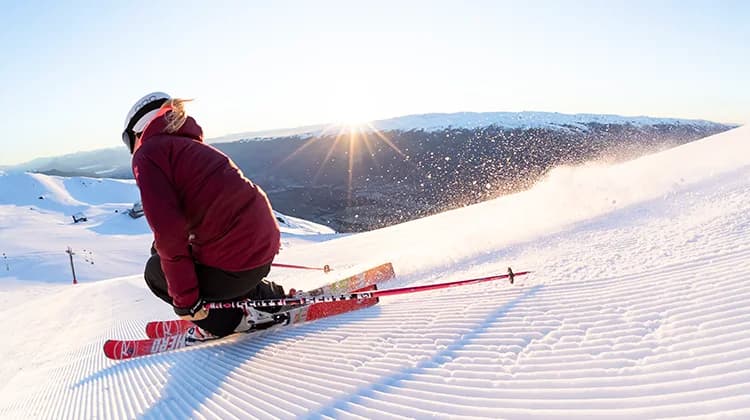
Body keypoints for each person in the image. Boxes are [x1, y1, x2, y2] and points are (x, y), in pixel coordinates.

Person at [122, 92, 285, 338]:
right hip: (262, 249)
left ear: (137, 131)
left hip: (238, 264)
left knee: (156, 272)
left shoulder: (148, 154)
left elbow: (169, 232)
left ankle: (232, 321)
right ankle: (259, 295)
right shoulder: (188, 146)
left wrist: (186, 301)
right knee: (161, 254)